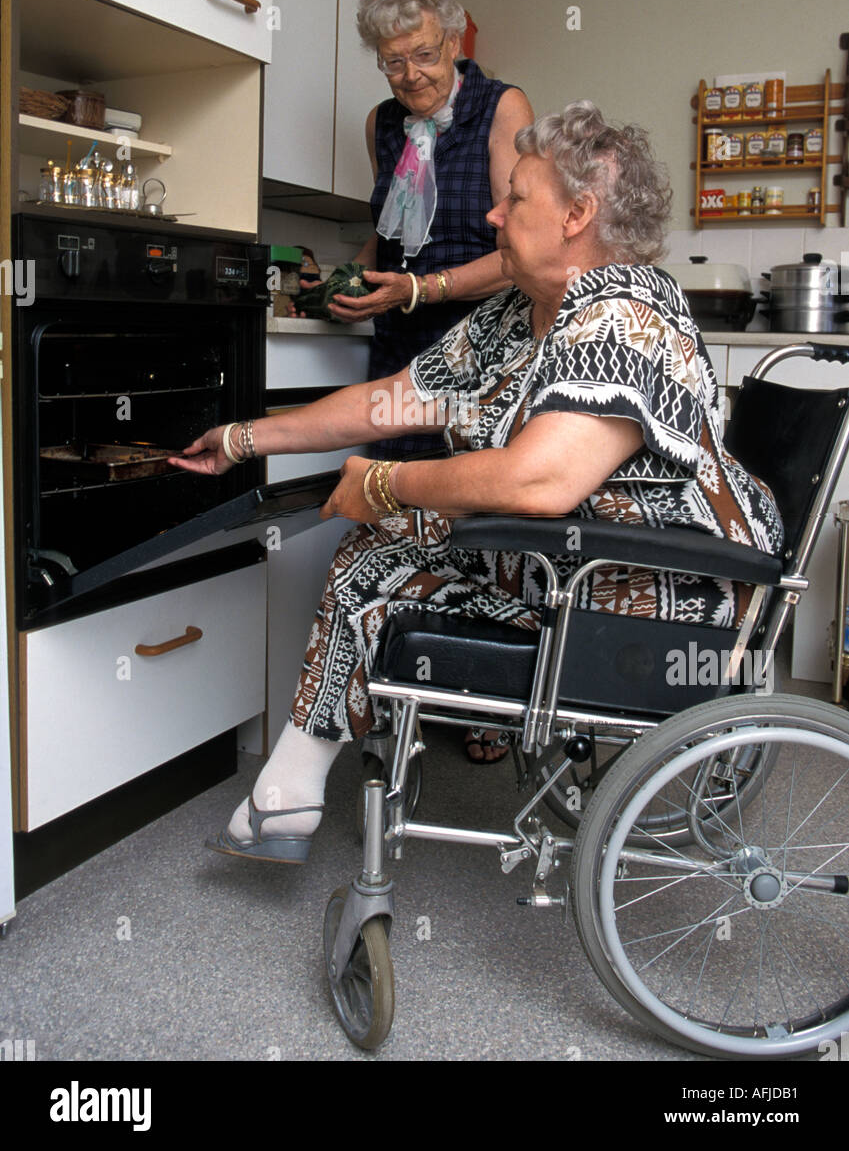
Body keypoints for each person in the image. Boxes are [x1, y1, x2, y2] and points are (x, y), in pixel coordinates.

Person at [170, 102, 783, 864]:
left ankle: (287, 794)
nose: (493, 213)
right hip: (560, 564)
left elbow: (541, 480)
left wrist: (389, 485)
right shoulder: (515, 316)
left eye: (515, 197)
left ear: (577, 214)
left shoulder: (626, 316)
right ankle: (288, 796)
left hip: (654, 591)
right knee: (374, 548)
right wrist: (243, 438)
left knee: (386, 526)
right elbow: (389, 401)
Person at [319, 0, 534, 761]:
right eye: (391, 60)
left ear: (454, 38)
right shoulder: (382, 122)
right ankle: (393, 684)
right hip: (404, 332)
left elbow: (520, 250)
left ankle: (491, 700)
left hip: (483, 333)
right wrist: (350, 278)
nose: (408, 74)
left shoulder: (499, 105)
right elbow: (389, 229)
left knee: (476, 512)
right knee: (391, 502)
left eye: (420, 54)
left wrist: (420, 287)